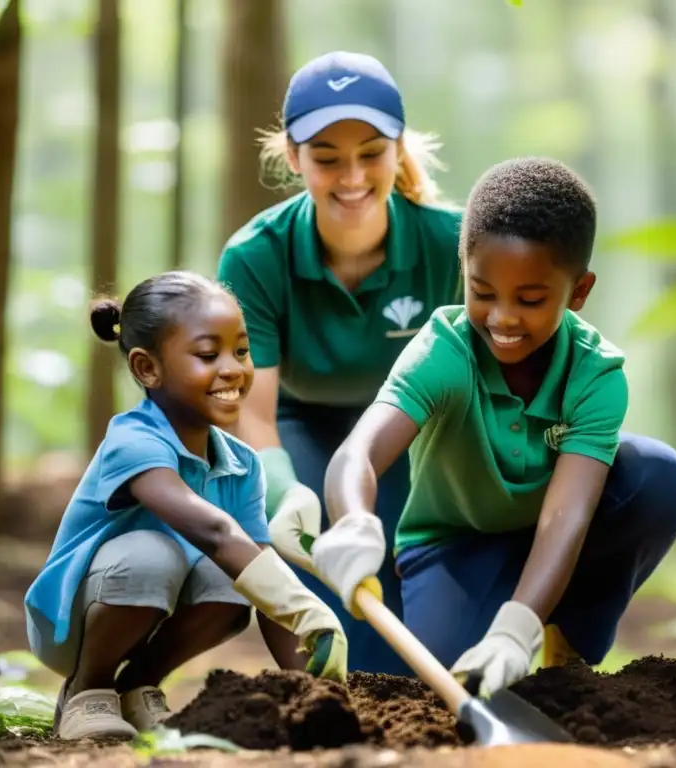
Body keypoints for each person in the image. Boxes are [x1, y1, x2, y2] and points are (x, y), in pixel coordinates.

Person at [304, 157, 676, 696]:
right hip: (454, 545)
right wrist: (351, 521)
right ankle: (496, 623)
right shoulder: (445, 350)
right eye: (483, 292)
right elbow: (361, 452)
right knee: (453, 682)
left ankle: (566, 647)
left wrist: (518, 630)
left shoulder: (596, 374)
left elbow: (567, 515)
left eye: (530, 300)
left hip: (557, 538)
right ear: (463, 270)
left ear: (578, 292)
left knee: (657, 477)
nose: (502, 318)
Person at [217, 51, 462, 676]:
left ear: (399, 150)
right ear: (293, 158)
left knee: (419, 626)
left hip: (416, 431)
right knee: (339, 620)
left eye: (371, 152)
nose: (351, 175)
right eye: (326, 158)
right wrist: (282, 487)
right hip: (303, 425)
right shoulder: (255, 257)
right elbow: (255, 413)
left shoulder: (452, 244)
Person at [23, 271, 348, 741]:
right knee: (155, 552)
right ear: (147, 369)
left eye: (240, 350)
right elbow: (212, 530)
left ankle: (137, 686)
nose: (233, 368)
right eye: (207, 354)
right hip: (75, 623)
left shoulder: (241, 464)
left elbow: (258, 567)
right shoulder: (132, 440)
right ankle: (86, 691)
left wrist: (319, 682)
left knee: (241, 576)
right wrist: (302, 605)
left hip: (151, 612)